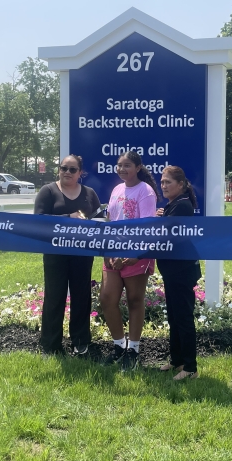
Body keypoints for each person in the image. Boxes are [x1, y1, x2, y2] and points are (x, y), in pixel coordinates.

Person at [34, 155, 100, 357]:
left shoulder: (89, 194)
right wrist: (67, 218)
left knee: (82, 297)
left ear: (81, 173)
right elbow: (38, 221)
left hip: (82, 255)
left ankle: (80, 343)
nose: (67, 173)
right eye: (64, 168)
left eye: (72, 169)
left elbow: (100, 221)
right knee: (55, 297)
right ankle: (50, 345)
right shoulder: (48, 191)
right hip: (55, 254)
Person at [100, 151, 158, 371]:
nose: (122, 169)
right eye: (119, 165)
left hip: (136, 255)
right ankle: (118, 345)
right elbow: (110, 221)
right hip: (113, 254)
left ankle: (133, 349)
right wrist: (111, 252)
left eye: (127, 166)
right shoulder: (116, 190)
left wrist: (134, 254)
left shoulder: (146, 191)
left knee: (135, 300)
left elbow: (148, 228)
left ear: (138, 167)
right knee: (107, 299)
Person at [156, 166, 201, 380]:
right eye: (162, 182)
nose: (163, 185)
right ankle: (177, 360)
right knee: (174, 316)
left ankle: (190, 368)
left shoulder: (182, 206)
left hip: (182, 270)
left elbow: (166, 237)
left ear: (180, 185)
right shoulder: (172, 206)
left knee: (183, 317)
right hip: (172, 271)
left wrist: (137, 255)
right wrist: (161, 217)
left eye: (168, 182)